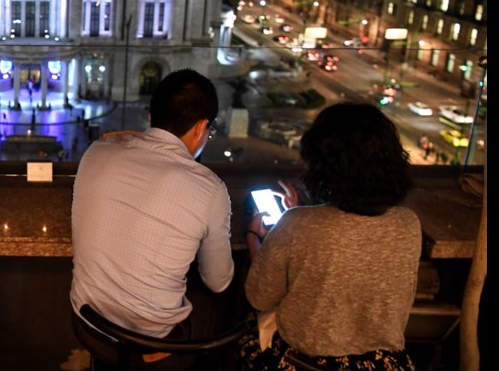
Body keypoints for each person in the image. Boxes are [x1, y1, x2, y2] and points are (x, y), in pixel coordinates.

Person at [70, 68, 235, 370]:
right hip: (152, 345)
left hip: (88, 324)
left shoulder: (96, 152)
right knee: (227, 299)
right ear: (201, 127)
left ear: (149, 118)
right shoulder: (210, 188)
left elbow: (122, 143)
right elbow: (218, 281)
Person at [238, 102, 420, 370]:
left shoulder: (296, 225)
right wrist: (304, 214)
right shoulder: (409, 224)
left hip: (304, 364)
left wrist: (254, 236)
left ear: (321, 165)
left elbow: (260, 296)